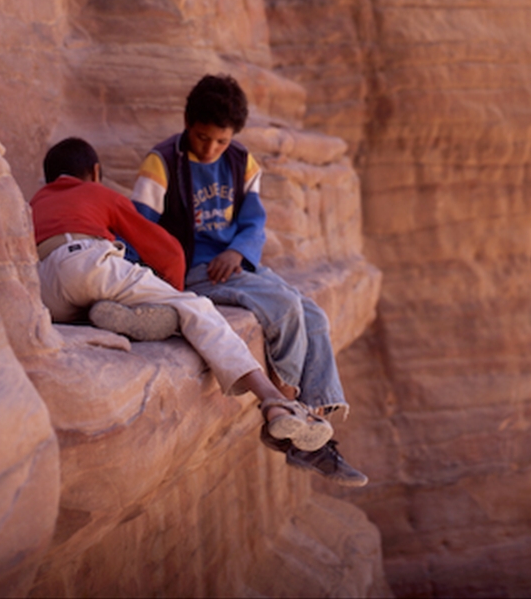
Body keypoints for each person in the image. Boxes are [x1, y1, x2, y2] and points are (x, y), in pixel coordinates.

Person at [132, 75, 368, 486]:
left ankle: (312, 428)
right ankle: (285, 414)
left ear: (233, 136)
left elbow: (254, 222)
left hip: (239, 265)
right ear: (187, 123)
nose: (210, 148)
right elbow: (139, 226)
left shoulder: (242, 162)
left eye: (221, 141)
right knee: (285, 307)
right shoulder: (163, 162)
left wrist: (238, 251)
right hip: (194, 271)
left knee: (314, 316)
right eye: (202, 137)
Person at [30, 136, 333, 453]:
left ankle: (100, 315)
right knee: (195, 308)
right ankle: (274, 401)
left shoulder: (34, 204)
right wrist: (173, 293)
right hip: (90, 261)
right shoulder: (98, 193)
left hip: (47, 286)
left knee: (86, 298)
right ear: (95, 171)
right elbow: (168, 251)